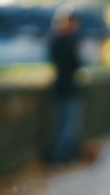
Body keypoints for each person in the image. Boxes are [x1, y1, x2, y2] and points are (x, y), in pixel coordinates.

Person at [45, 5, 83, 164]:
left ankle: (65, 154)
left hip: (66, 87)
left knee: (67, 125)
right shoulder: (63, 41)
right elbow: (73, 63)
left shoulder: (62, 40)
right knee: (66, 126)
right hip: (66, 88)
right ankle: (61, 155)